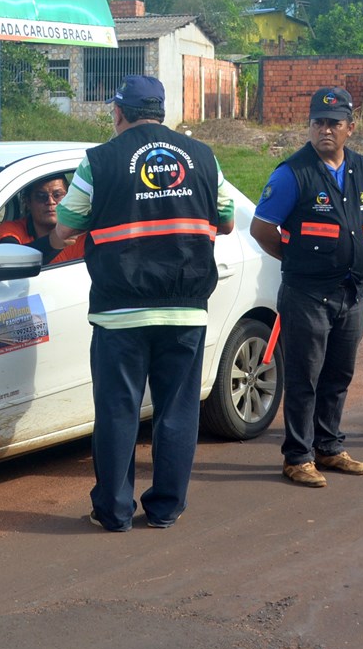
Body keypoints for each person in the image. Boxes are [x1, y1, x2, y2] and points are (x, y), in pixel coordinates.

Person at [51, 75, 234, 531]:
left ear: (118, 113)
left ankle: (113, 512)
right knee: (177, 410)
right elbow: (227, 221)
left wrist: (53, 238)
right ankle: (166, 508)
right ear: (162, 110)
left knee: (118, 411)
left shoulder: (100, 161)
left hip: (120, 312)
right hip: (185, 307)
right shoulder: (203, 157)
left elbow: (66, 224)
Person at [250, 86, 363, 488]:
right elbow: (261, 229)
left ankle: (328, 447)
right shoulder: (292, 173)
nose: (325, 130)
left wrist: (360, 253)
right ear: (309, 127)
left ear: (349, 128)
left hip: (349, 291)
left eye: (334, 123)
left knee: (338, 375)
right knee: (304, 377)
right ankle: (298, 456)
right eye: (318, 123)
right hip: (307, 294)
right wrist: (297, 260)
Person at [0, 176, 86, 264]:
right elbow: (6, 261)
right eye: (41, 196)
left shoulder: (81, 234)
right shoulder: (9, 230)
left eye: (57, 195)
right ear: (28, 202)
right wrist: (52, 243)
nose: (50, 202)